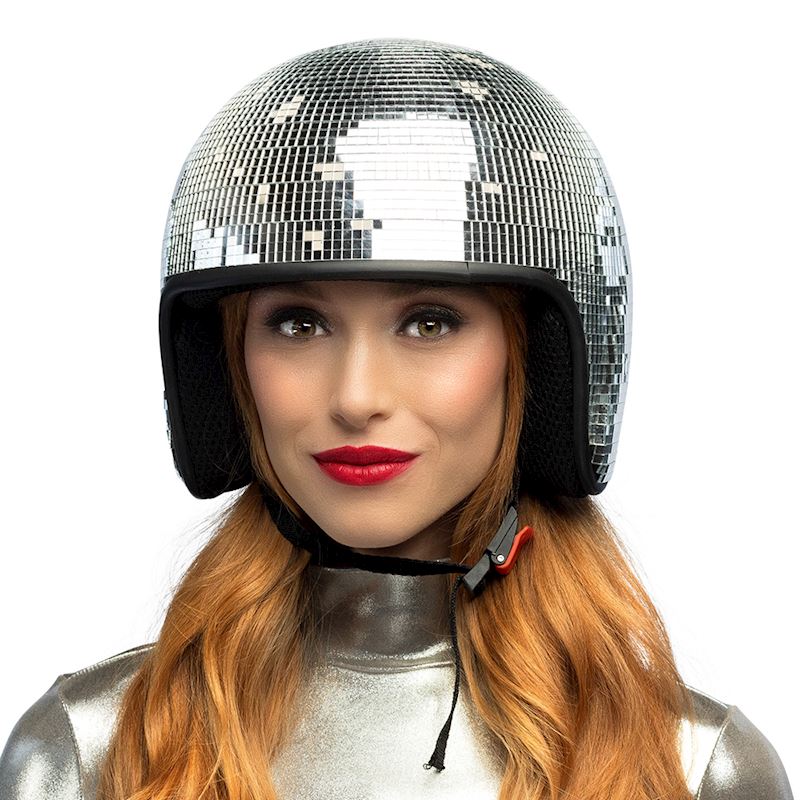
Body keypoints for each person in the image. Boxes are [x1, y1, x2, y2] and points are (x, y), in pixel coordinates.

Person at [0, 37, 793, 800]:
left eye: (429, 322)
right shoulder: (88, 753)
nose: (355, 396)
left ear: (537, 361)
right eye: (299, 323)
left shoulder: (693, 768)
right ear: (227, 362)